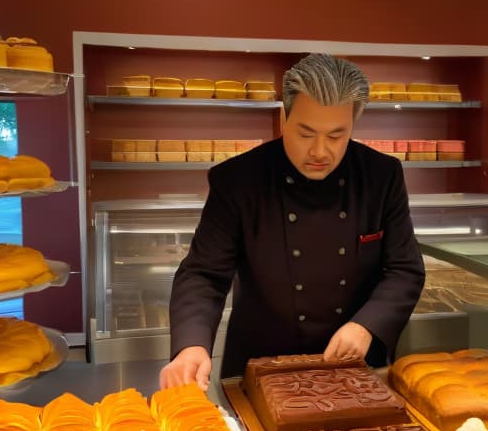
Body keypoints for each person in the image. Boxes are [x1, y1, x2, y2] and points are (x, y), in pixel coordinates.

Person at [160, 53, 425, 390]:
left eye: (335, 136)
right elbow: (204, 274)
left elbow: (405, 268)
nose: (319, 151)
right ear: (284, 117)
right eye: (305, 133)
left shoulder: (381, 176)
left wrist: (367, 326)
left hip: (353, 367)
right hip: (259, 369)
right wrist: (191, 346)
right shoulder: (238, 181)